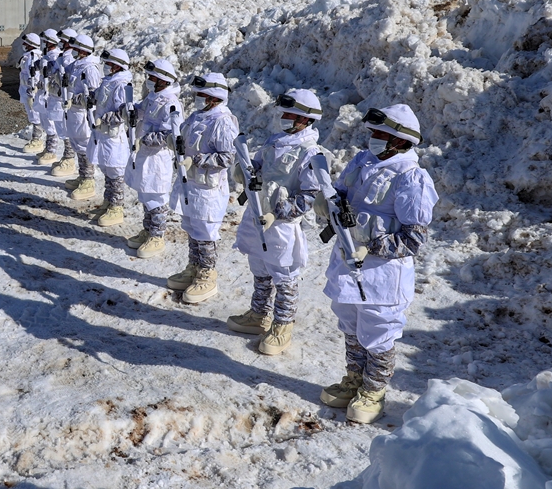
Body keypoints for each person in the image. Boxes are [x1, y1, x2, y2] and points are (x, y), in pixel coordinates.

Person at [318, 104, 438, 424]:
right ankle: (355, 379)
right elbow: (340, 196)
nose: (373, 139)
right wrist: (328, 203)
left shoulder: (412, 178)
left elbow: (413, 240)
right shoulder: (362, 162)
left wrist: (370, 246)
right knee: (352, 326)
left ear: (399, 141)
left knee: (378, 332)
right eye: (373, 133)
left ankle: (374, 389)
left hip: (383, 275)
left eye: (381, 134)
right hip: (349, 264)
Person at [228, 89, 325, 356]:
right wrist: (245, 171)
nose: (284, 118)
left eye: (291, 115)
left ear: (305, 120)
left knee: (284, 277)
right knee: (259, 267)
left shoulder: (311, 154)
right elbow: (256, 167)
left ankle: (283, 325)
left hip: (281, 225)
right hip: (257, 215)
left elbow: (309, 197)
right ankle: (259, 314)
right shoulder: (274, 142)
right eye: (284, 113)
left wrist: (277, 214)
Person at [167, 73, 238, 303]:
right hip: (191, 185)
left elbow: (228, 157)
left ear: (215, 97)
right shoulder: (198, 116)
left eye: (203, 94)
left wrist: (197, 161)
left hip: (209, 189)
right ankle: (194, 267)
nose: (198, 98)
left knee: (206, 233)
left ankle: (207, 275)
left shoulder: (223, 121)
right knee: (192, 227)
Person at [125, 59, 182, 257]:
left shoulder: (171, 103)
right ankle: (148, 229)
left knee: (156, 197)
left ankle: (157, 235)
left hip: (158, 158)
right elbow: (142, 110)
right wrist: (132, 112)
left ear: (164, 80)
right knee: (145, 193)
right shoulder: (153, 96)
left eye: (153, 78)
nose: (149, 80)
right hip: (145, 156)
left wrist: (145, 138)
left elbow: (170, 136)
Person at [85, 49, 134, 225]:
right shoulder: (108, 82)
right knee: (107, 169)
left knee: (116, 172)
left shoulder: (121, 85)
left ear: (117, 66)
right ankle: (108, 201)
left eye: (109, 64)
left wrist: (103, 119)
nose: (106, 67)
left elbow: (123, 114)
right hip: (102, 134)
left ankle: (117, 207)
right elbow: (100, 99)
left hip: (114, 136)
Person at [63, 33, 102, 198]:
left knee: (85, 146)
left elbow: (93, 95)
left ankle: (89, 181)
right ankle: (83, 175)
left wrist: (75, 100)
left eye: (76, 48)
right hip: (73, 113)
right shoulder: (77, 65)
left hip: (83, 115)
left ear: (83, 50)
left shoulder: (90, 68)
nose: (73, 50)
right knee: (77, 144)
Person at [46, 29, 79, 176]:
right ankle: (66, 156)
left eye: (63, 41)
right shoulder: (63, 56)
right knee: (62, 129)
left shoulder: (70, 57)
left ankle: (69, 160)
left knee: (67, 131)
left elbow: (70, 80)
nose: (61, 43)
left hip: (64, 100)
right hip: (57, 98)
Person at [33, 29, 63, 165]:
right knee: (45, 121)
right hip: (42, 92)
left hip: (48, 94)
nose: (44, 43)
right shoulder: (47, 55)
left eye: (46, 41)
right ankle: (48, 148)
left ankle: (52, 151)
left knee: (50, 124)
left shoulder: (56, 56)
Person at [18, 32, 46, 154]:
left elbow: (35, 75)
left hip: (31, 91)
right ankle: (36, 138)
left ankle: (37, 140)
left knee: (35, 115)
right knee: (32, 114)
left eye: (26, 43)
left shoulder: (33, 56)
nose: (24, 44)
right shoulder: (28, 55)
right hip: (26, 90)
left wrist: (32, 91)